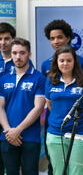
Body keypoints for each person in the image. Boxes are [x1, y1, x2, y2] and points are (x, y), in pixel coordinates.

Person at [42, 19, 83, 174]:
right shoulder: (46, 66)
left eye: (60, 37)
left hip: (78, 131)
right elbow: (50, 103)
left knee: (76, 170)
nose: (56, 41)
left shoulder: (82, 64)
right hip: (55, 130)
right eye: (52, 38)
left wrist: (78, 119)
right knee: (56, 169)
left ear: (68, 38)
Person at [0, 38, 46, 175]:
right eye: (14, 53)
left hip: (30, 137)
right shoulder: (3, 78)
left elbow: (38, 109)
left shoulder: (39, 78)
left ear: (29, 54)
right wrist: (9, 130)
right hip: (6, 137)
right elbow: (0, 107)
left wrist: (17, 130)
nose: (18, 57)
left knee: (30, 172)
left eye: (22, 53)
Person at [0, 22, 16, 175]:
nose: (3, 42)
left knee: (11, 166)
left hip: (11, 120)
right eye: (0, 39)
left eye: (6, 38)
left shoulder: (20, 60)